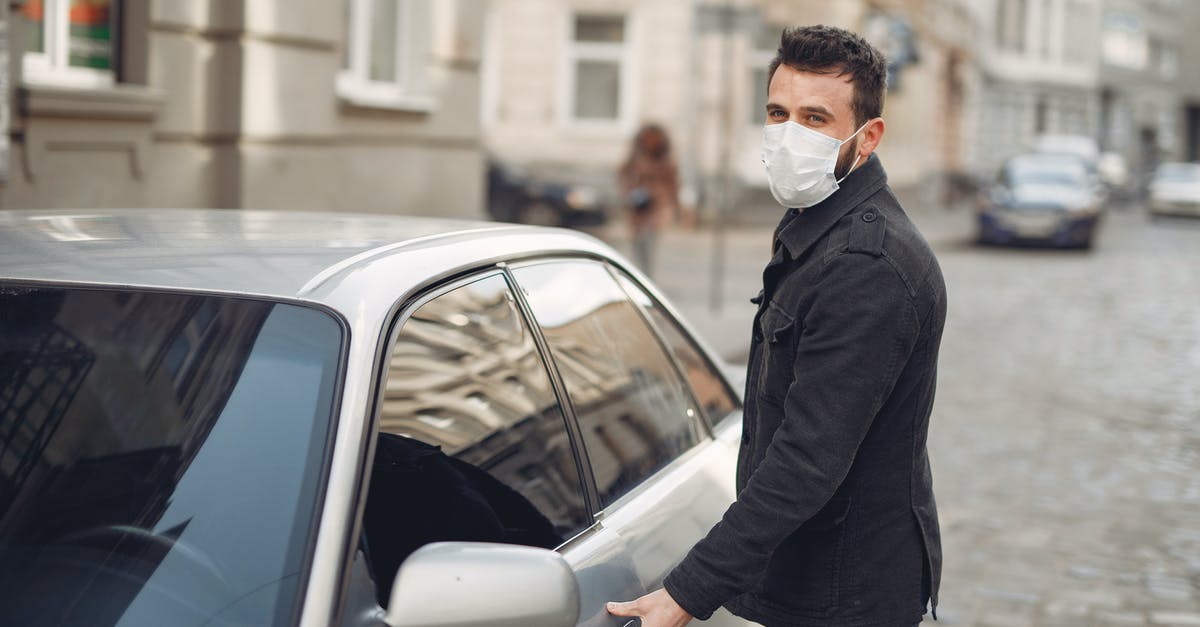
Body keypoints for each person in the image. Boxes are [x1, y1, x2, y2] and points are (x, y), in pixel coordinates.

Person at [607, 25, 945, 627]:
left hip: (846, 592)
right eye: (777, 112)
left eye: (815, 119)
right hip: (814, 574)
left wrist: (686, 593)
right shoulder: (818, 226)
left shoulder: (866, 265)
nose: (789, 134)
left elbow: (807, 459)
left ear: (866, 139)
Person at [618, 123, 680, 277]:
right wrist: (630, 192)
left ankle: (647, 278)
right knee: (637, 245)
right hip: (638, 209)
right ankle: (638, 276)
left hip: (656, 210)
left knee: (648, 244)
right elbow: (623, 175)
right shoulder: (635, 159)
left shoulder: (665, 163)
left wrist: (671, 206)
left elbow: (672, 187)